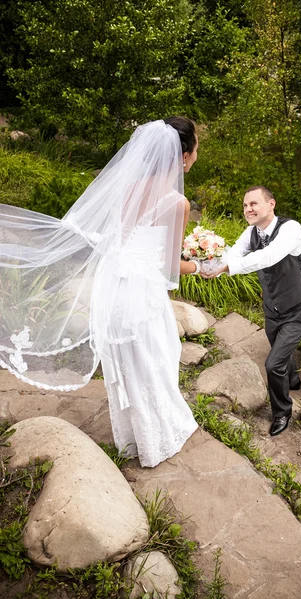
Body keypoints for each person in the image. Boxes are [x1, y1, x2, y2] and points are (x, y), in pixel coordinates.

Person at [0, 117, 200, 466]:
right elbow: (169, 266)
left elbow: (122, 241)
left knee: (126, 365)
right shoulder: (177, 204)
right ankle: (157, 440)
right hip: (141, 292)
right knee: (155, 361)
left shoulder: (126, 188)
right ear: (182, 156)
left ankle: (132, 439)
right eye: (196, 149)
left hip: (113, 289)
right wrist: (201, 264)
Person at [203, 185, 301, 436]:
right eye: (244, 205)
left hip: (298, 310)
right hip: (272, 310)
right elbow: (234, 253)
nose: (248, 209)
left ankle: (282, 411)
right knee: (281, 353)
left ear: (271, 204)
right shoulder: (251, 232)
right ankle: (294, 381)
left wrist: (228, 268)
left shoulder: (291, 229)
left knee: (273, 364)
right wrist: (209, 265)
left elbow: (268, 257)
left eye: (253, 203)